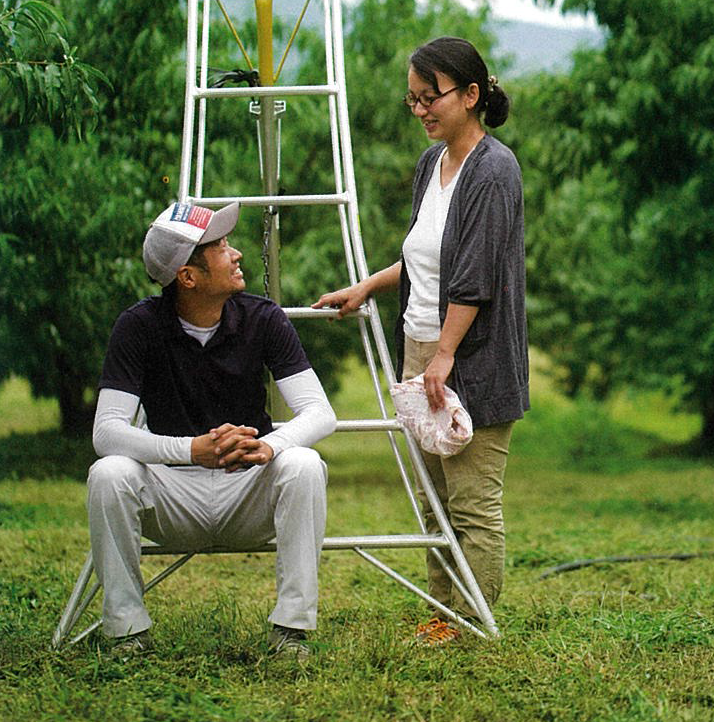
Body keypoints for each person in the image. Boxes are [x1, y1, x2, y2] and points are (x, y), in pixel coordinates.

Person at [312, 36, 528, 644]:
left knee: (472, 501)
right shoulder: (430, 166)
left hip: (470, 359)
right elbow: (426, 258)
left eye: (430, 98)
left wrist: (445, 355)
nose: (422, 111)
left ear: (471, 95)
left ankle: (472, 622)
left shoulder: (495, 169)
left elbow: (476, 275)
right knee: (432, 498)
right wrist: (367, 287)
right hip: (423, 350)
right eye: (413, 100)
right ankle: (443, 614)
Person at [87, 200, 336, 659]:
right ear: (188, 277)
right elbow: (106, 432)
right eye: (220, 246)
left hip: (247, 491)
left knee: (303, 464)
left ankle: (290, 633)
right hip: (173, 495)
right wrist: (191, 450)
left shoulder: (263, 318)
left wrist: (269, 445)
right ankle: (126, 633)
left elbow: (320, 413)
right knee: (108, 474)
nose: (236, 252)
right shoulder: (137, 326)